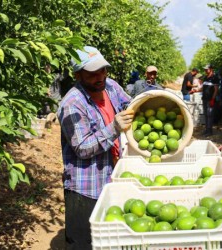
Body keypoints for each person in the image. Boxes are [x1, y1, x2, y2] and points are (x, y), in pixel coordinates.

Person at [57, 46, 134, 249]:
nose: (100, 77)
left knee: (110, 238)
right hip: (86, 188)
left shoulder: (110, 87)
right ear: (78, 75)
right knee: (83, 242)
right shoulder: (72, 105)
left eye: (102, 70)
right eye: (92, 73)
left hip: (113, 178)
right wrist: (114, 128)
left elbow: (129, 103)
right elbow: (82, 147)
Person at [200, 64, 220, 136]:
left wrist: (213, 99)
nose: (205, 70)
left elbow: (216, 90)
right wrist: (196, 90)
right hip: (204, 99)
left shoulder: (215, 78)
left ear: (211, 69)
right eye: (205, 69)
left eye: (206, 69)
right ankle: (206, 130)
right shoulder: (205, 77)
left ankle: (209, 131)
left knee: (210, 115)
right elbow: (203, 88)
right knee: (206, 115)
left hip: (210, 99)